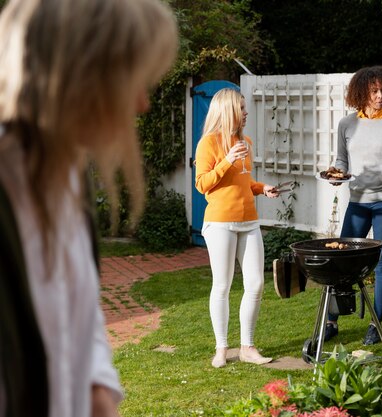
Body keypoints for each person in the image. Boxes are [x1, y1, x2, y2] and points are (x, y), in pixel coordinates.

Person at [0, 0, 178, 416]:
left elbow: (73, 316)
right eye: (132, 81)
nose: (141, 104)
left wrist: (99, 390)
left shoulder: (67, 176)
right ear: (78, 75)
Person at [325, 66, 382, 345]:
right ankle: (331, 322)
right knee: (342, 259)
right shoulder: (347, 124)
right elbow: (341, 161)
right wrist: (336, 175)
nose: (379, 96)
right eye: (374, 91)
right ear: (361, 92)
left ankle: (376, 324)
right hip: (358, 202)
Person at [195, 88, 281, 368]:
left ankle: (247, 346)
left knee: (255, 284)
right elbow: (203, 184)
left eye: (245, 108)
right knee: (222, 285)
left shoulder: (246, 141)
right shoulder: (208, 143)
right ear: (228, 111)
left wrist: (261, 188)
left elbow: (243, 183)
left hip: (249, 220)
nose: (246, 113)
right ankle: (221, 348)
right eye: (242, 109)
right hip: (220, 222)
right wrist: (227, 160)